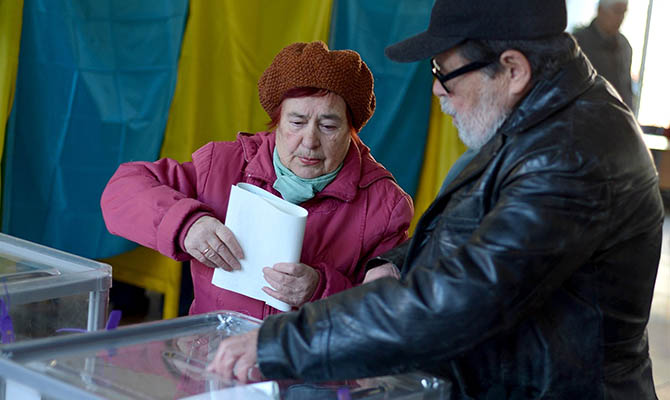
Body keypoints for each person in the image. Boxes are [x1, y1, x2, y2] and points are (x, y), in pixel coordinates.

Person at [207, 0, 664, 398]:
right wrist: (401, 262)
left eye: (445, 72)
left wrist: (281, 343)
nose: (437, 89)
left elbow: (465, 295)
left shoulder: (571, 155)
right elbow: (488, 229)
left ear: (513, 69)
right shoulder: (540, 118)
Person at [100, 41, 413, 320]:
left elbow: (386, 313)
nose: (309, 141)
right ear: (276, 122)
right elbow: (122, 191)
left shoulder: (383, 206)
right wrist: (186, 225)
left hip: (312, 379)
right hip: (214, 365)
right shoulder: (224, 165)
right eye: (297, 122)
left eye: (328, 126)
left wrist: (321, 289)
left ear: (351, 130)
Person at [573, 0, 634, 108]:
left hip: (619, 118)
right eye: (617, 11)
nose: (621, 17)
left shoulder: (625, 46)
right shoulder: (578, 44)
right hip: (587, 118)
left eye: (624, 12)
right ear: (601, 10)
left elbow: (627, 89)